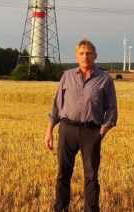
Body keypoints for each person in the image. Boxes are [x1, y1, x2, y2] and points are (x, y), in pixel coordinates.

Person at [44, 39, 118, 212]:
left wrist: (101, 132)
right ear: (76, 56)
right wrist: (49, 132)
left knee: (91, 176)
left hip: (91, 131)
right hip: (67, 129)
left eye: (89, 53)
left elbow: (112, 111)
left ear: (95, 56)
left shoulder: (105, 79)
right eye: (82, 53)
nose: (85, 56)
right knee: (63, 173)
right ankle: (61, 208)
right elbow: (56, 107)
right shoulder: (67, 76)